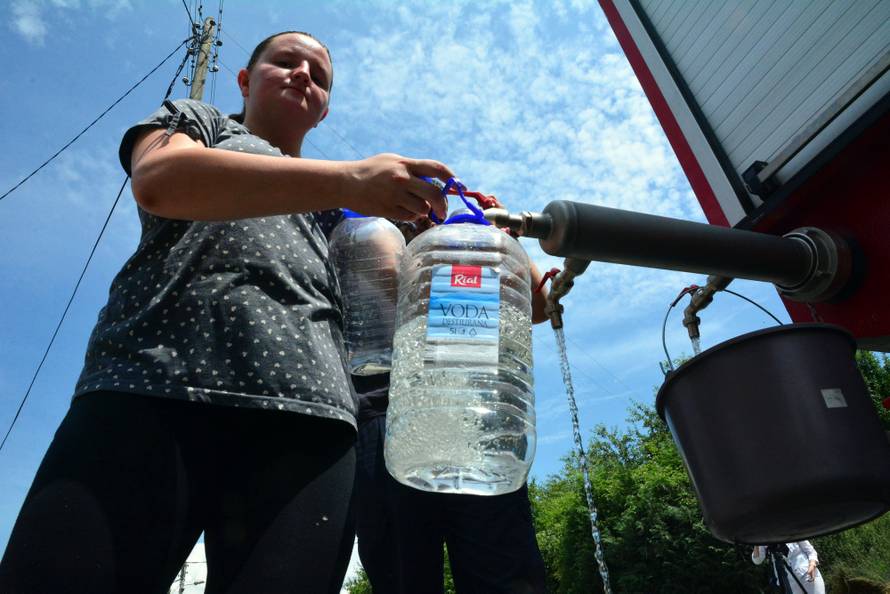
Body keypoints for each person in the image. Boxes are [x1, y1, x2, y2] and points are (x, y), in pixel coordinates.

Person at [0, 30, 453, 594]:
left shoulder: (346, 211)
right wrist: (348, 179)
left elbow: (404, 294)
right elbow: (160, 181)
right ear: (245, 79)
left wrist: (461, 240)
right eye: (284, 62)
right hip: (150, 384)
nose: (302, 76)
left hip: (309, 421)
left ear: (325, 108)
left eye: (318, 75)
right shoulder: (200, 122)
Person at [352, 202, 550, 593]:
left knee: (504, 574)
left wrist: (499, 239)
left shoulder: (471, 250)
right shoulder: (373, 235)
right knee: (402, 574)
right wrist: (429, 242)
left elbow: (542, 306)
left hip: (475, 421)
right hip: (387, 419)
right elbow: (389, 288)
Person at [752, 541, 825, 594]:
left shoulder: (790, 526)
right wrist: (756, 542)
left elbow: (810, 550)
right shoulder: (763, 537)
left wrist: (812, 564)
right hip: (787, 580)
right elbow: (757, 560)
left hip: (807, 573)